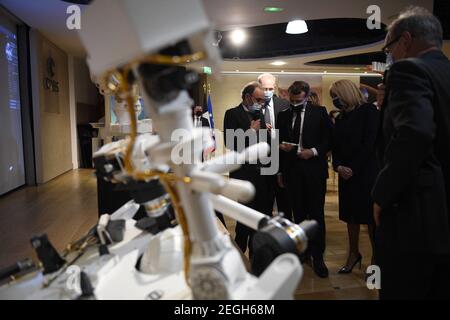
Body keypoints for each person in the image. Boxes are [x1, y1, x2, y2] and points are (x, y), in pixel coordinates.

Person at [373, 6, 450, 299]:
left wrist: (383, 193)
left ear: (405, 40)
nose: (389, 55)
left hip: (416, 219)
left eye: (389, 47)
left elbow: (413, 134)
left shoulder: (409, 70)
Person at [277, 81, 331, 278]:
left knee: (316, 215)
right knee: (297, 214)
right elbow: (279, 143)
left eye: (298, 100)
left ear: (307, 96)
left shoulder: (320, 112)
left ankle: (318, 257)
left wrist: (314, 151)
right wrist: (280, 171)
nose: (294, 103)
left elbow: (329, 140)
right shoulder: (283, 115)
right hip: (292, 171)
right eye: (291, 100)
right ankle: (301, 252)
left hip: (314, 169)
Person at [330, 80, 379, 274]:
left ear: (346, 93)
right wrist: (338, 166)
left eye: (336, 95)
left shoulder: (369, 112)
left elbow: (370, 143)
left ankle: (376, 259)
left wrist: (352, 168)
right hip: (345, 173)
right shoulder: (341, 117)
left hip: (365, 172)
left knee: (369, 218)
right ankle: (353, 253)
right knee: (350, 216)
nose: (334, 100)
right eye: (333, 96)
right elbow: (336, 145)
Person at [223, 81, 272, 256]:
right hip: (243, 174)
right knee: (243, 219)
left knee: (260, 217)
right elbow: (231, 143)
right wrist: (251, 131)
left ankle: (256, 254)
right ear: (247, 97)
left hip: (262, 173)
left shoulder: (260, 114)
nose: (261, 103)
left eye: (263, 100)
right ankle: (238, 255)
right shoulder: (232, 114)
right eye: (258, 99)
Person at [257, 73, 291, 218]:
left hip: (282, 161)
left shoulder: (284, 105)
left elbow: (289, 132)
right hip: (261, 162)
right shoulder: (252, 106)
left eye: (270, 88)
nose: (267, 91)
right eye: (264, 88)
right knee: (263, 206)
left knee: (284, 205)